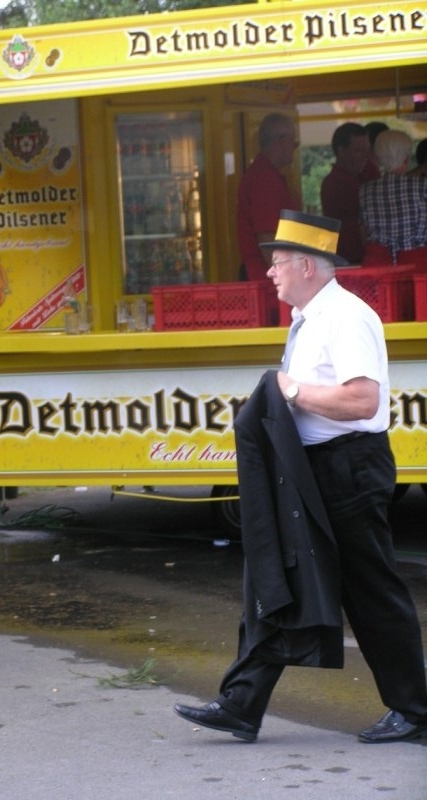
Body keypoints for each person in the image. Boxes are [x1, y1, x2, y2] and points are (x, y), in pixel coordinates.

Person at [174, 209, 427, 744]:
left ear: (308, 266)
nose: (270, 271)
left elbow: (363, 401)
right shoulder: (310, 318)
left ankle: (416, 710)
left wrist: (292, 391)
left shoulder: (346, 317)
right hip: (319, 468)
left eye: (279, 261)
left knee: (370, 591)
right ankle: (241, 704)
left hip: (349, 469)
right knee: (278, 574)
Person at [236, 113, 301, 281]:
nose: (294, 149)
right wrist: (287, 280)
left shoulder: (266, 174)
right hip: (265, 280)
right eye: (294, 143)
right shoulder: (264, 179)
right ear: (281, 141)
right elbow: (267, 238)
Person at [359, 130, 427, 267]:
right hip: (417, 265)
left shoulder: (365, 190)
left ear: (378, 158)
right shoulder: (422, 186)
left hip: (378, 265)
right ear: (407, 158)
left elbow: (363, 232)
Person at [320, 122, 371, 264]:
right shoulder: (336, 183)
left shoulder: (361, 177)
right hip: (349, 261)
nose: (365, 156)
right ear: (341, 151)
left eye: (367, 150)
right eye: (359, 150)